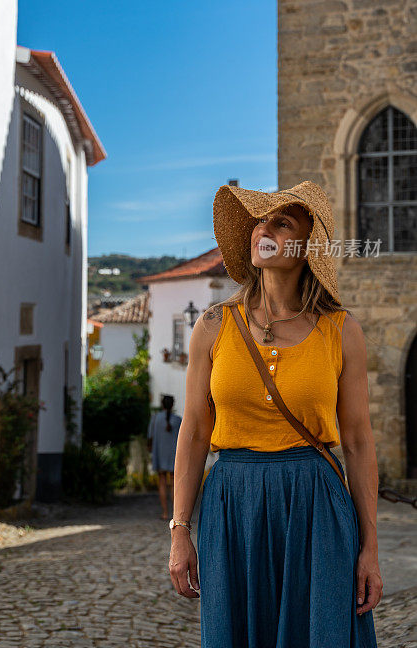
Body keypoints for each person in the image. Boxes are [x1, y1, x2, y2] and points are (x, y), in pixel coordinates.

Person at [168, 180, 382, 648]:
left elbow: (360, 442)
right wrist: (180, 529)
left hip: (317, 505)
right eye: (258, 221)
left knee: (319, 631)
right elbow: (195, 431)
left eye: (281, 222)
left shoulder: (341, 331)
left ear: (307, 247)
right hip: (232, 504)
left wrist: (370, 547)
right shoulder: (213, 326)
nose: (263, 229)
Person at [147, 394, 182, 520]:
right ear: (173, 405)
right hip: (174, 456)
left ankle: (165, 513)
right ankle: (175, 514)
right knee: (174, 484)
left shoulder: (155, 419)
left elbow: (149, 438)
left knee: (162, 482)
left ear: (162, 405)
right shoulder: (178, 420)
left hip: (160, 454)